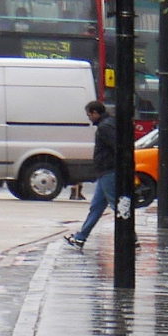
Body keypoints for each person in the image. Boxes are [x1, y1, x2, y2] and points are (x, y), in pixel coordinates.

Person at [63, 101, 116, 252]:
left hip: (108, 171)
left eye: (89, 115)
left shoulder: (105, 127)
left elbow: (116, 147)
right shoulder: (108, 124)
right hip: (105, 172)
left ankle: (131, 239)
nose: (89, 118)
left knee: (118, 207)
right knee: (96, 207)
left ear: (95, 113)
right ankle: (80, 238)